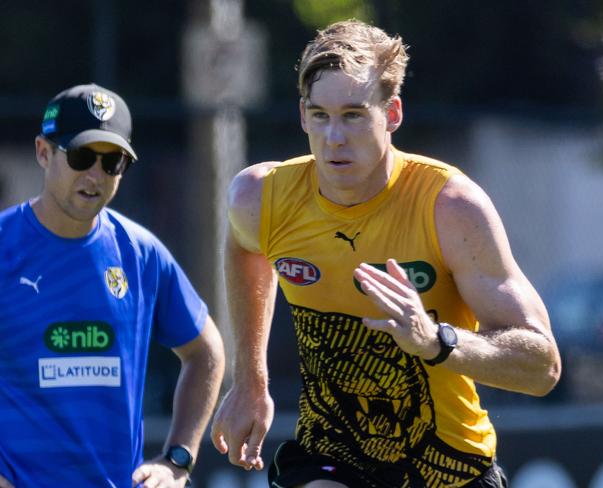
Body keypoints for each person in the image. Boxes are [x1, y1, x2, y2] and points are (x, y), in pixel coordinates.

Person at [211, 19, 562, 488]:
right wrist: (250, 378)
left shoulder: (449, 207)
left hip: (449, 467)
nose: (334, 137)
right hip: (330, 457)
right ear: (302, 115)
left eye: (353, 114)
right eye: (320, 115)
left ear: (392, 113)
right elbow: (244, 247)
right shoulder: (261, 198)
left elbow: (542, 367)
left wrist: (436, 342)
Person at [0, 83, 225, 487]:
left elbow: (205, 351)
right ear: (43, 152)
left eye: (113, 162)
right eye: (82, 156)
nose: (95, 175)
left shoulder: (140, 252)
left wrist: (178, 458)